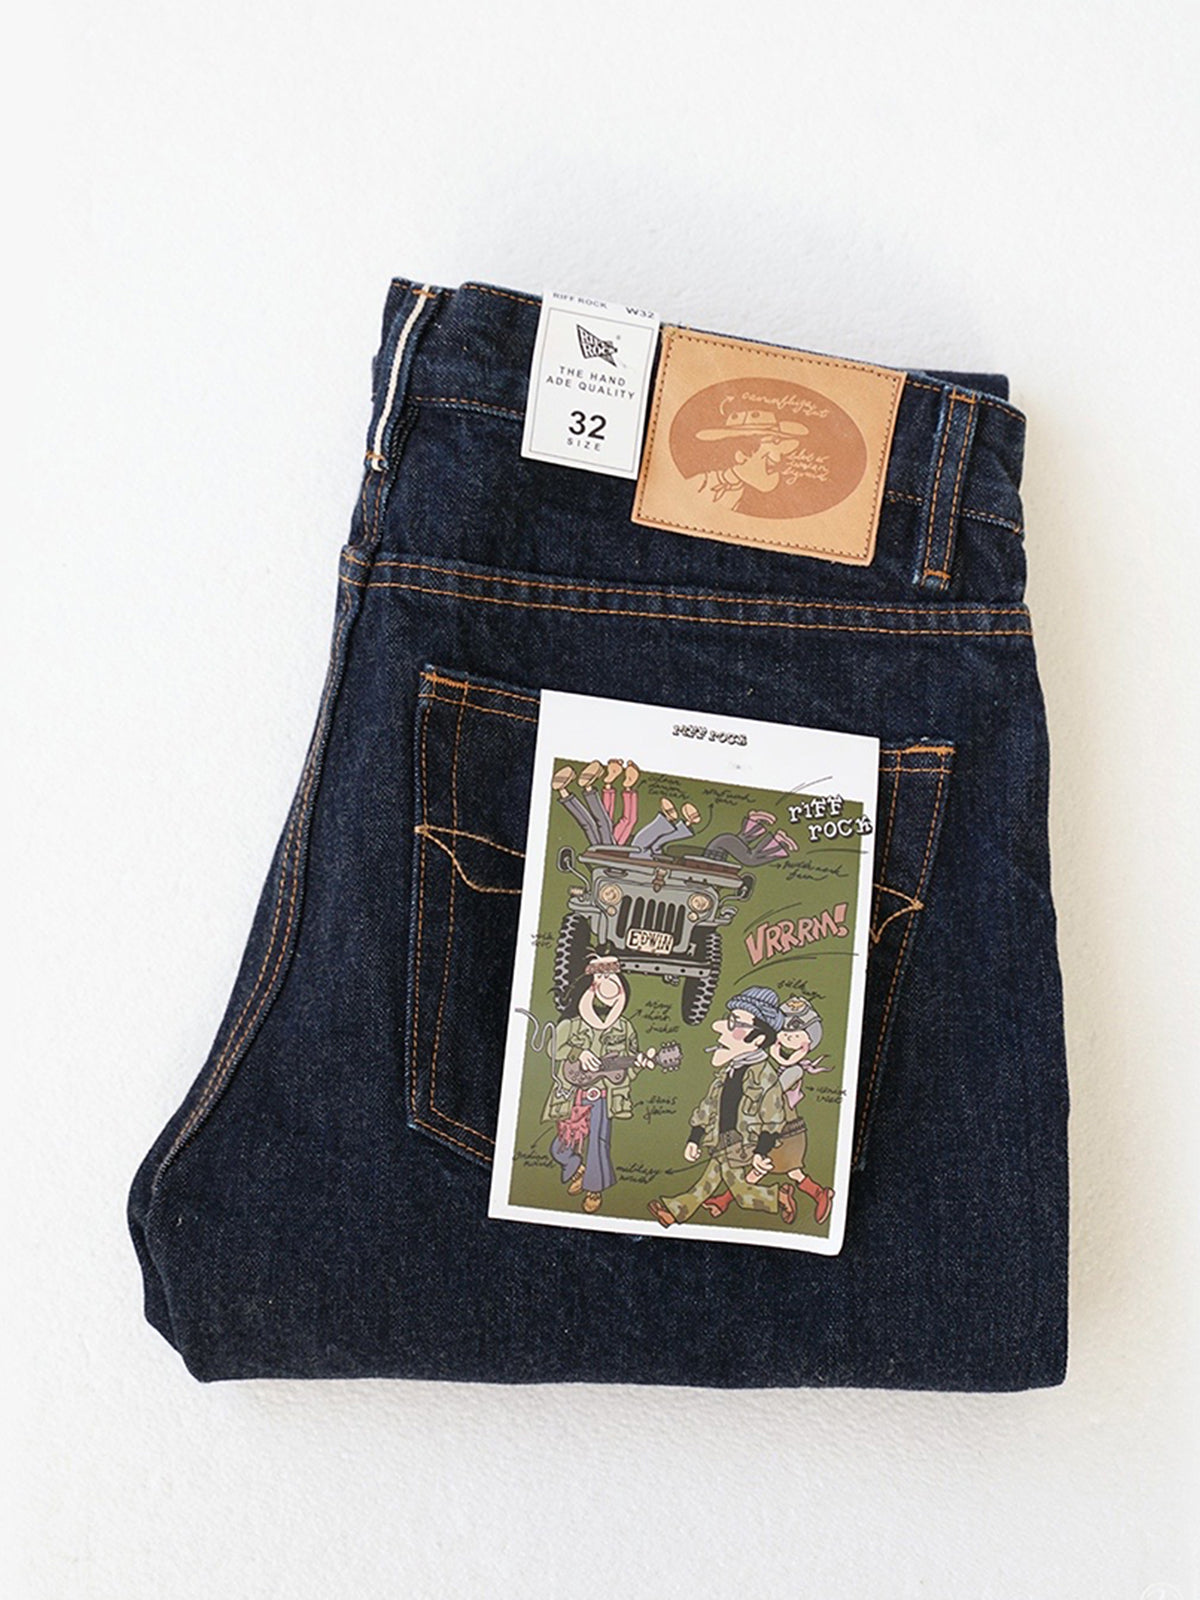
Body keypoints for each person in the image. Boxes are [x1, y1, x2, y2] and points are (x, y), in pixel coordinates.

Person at [648, 987, 795, 1228]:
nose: (722, 1028)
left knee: (738, 1192)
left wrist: (761, 1151)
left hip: (742, 1143)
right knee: (710, 1185)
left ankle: (777, 1197)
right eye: (729, 1020)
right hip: (721, 1138)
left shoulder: (765, 1076)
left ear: (758, 1039)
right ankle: (675, 1212)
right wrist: (695, 1137)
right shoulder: (729, 1070)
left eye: (736, 1024)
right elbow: (708, 1105)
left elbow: (773, 1118)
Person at [544, 955, 649, 1213]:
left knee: (599, 1143)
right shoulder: (572, 1024)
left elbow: (627, 1067)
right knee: (561, 1145)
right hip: (571, 1093)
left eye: (612, 978)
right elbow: (553, 1048)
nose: (606, 985)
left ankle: (595, 1188)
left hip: (603, 1096)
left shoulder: (624, 1028)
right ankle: (576, 1166)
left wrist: (638, 1064)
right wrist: (578, 1053)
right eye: (600, 978)